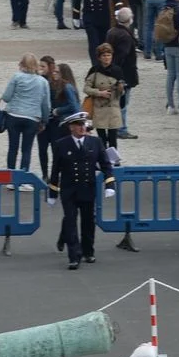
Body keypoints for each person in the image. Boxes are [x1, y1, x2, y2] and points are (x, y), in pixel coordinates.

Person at [47, 113, 114, 270]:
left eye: (83, 124)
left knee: (88, 222)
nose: (82, 127)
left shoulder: (95, 142)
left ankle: (88, 251)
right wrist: (52, 192)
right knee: (70, 222)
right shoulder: (61, 144)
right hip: (69, 190)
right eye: (78, 125)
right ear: (71, 127)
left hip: (87, 188)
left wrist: (110, 184)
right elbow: (55, 170)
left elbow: (105, 165)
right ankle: (73, 255)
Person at [0, 53, 52, 171]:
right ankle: (23, 178)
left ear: (22, 64)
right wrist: (44, 121)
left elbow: (6, 97)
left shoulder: (16, 77)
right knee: (26, 149)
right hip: (32, 117)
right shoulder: (42, 82)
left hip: (13, 115)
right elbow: (46, 105)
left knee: (13, 148)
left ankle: (10, 177)